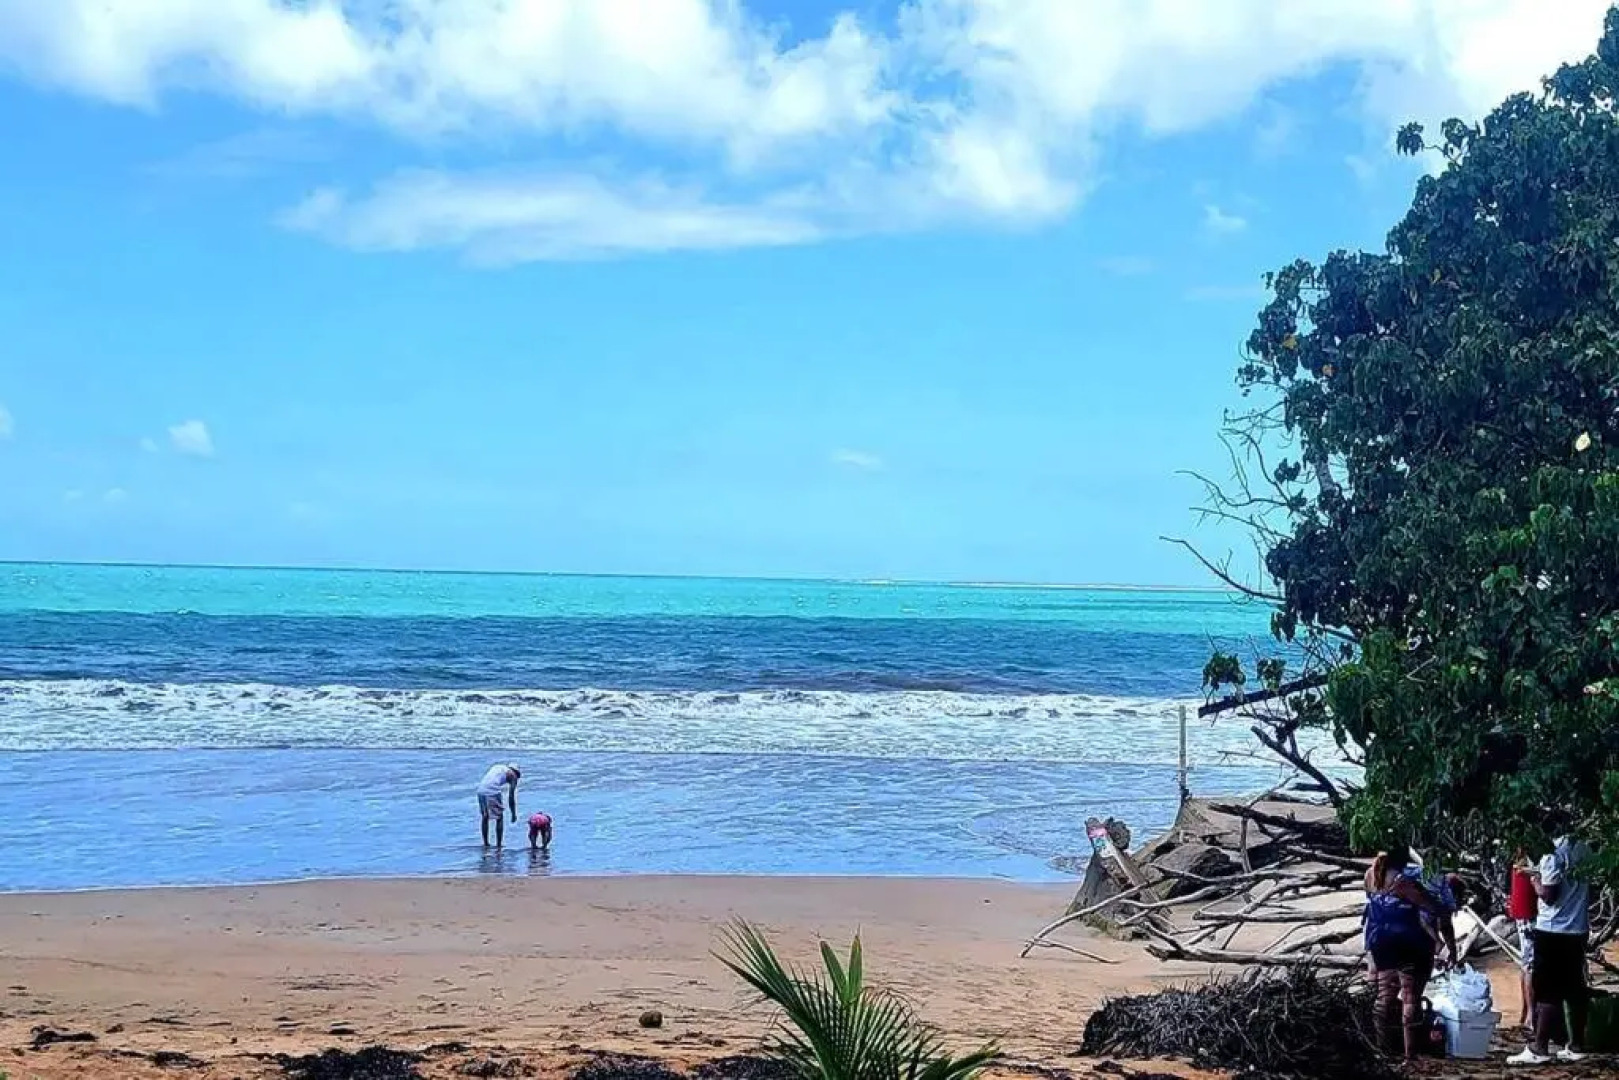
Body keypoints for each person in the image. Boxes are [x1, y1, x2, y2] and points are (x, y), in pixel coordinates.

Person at [1509, 830, 1594, 1066]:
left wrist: (1535, 880)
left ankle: (1540, 1047)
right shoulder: (1582, 847)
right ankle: (1576, 1045)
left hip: (1553, 929)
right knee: (1575, 987)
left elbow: (1549, 895)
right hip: (1577, 927)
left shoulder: (1551, 853)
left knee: (1547, 990)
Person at [1364, 844, 1448, 1059]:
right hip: (1408, 941)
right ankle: (1410, 1055)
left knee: (1384, 997)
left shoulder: (1370, 876)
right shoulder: (1403, 882)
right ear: (1403, 860)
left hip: (1380, 941)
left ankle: (1381, 1050)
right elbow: (1431, 907)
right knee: (1410, 998)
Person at [475, 763, 521, 849]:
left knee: (485, 817)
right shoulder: (513, 775)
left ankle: (486, 843)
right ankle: (499, 845)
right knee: (499, 817)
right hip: (492, 790)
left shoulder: (499, 767)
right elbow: (511, 797)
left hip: (480, 790)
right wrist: (513, 813)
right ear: (516, 772)